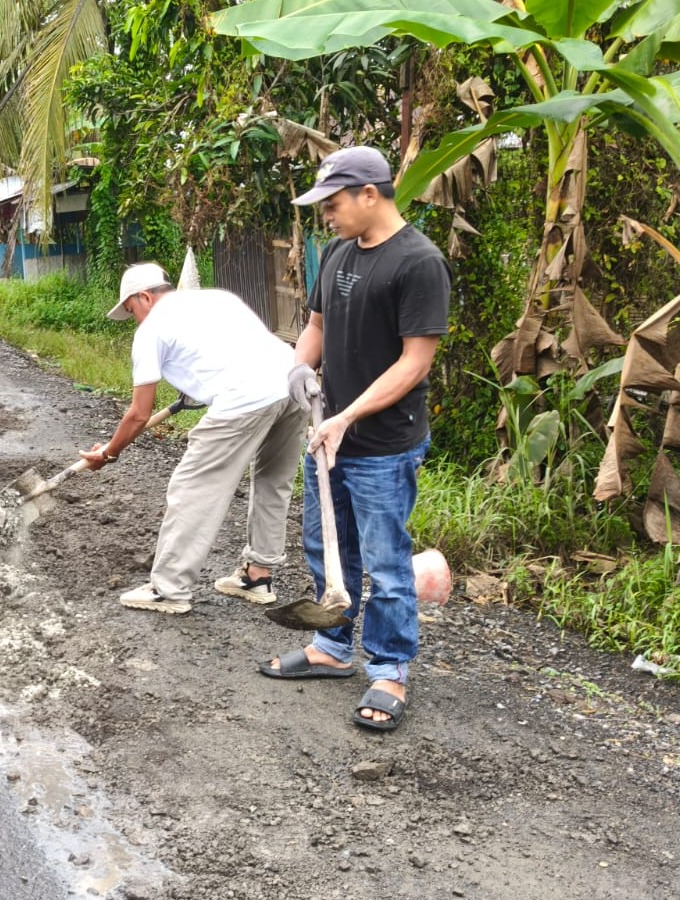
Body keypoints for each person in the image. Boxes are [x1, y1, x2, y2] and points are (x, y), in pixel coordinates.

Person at [258, 145, 450, 733]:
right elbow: (315, 326)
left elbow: (415, 363)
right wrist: (296, 368)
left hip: (383, 446)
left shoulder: (419, 263)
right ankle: (333, 648)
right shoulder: (339, 252)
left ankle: (390, 670)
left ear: (371, 194)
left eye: (334, 203)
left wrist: (348, 416)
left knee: (388, 564)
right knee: (327, 549)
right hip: (329, 437)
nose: (327, 216)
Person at [78, 262, 310, 616]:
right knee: (273, 482)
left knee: (193, 489)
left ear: (144, 297)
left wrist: (109, 453)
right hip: (293, 385)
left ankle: (169, 589)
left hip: (245, 400)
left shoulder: (151, 329)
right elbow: (239, 353)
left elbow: (139, 413)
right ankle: (257, 576)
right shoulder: (218, 299)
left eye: (132, 310)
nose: (135, 319)